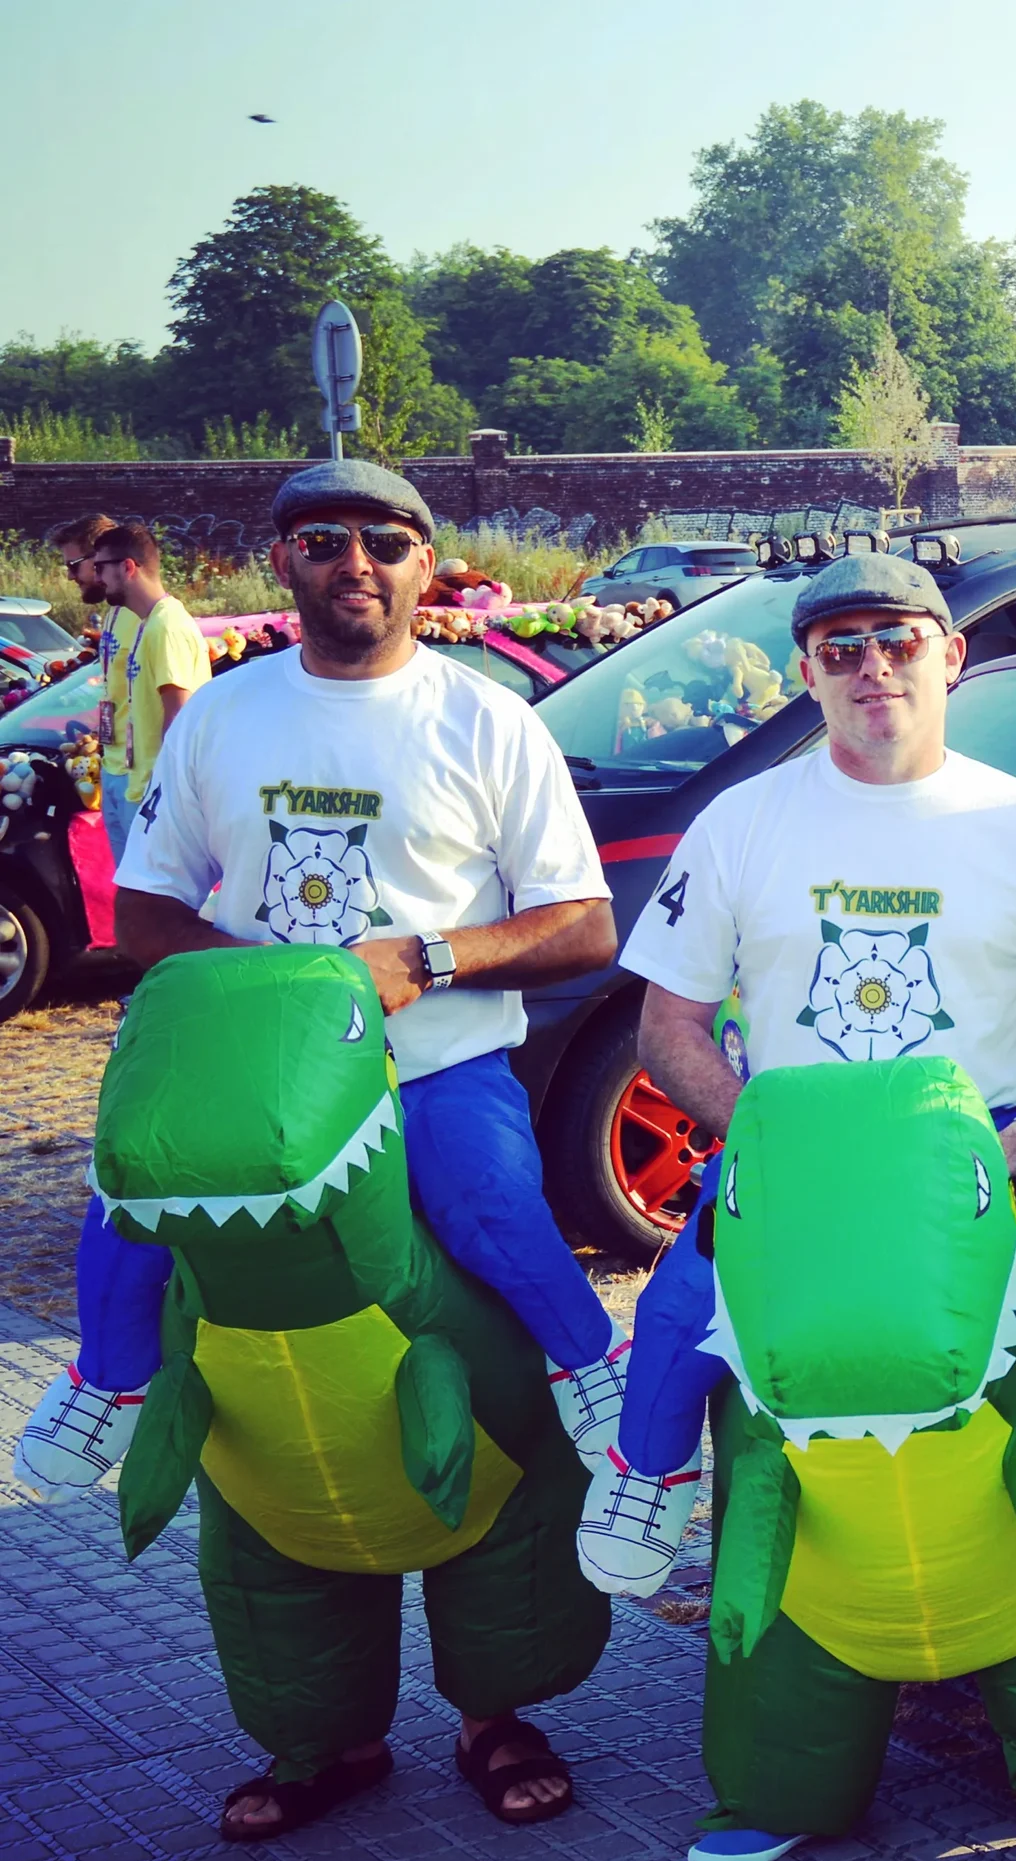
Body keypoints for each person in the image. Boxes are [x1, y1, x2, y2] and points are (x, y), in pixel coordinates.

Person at [16, 464, 659, 1776]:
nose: (353, 563)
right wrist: (267, 991)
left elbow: (583, 921)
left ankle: (587, 1376)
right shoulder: (229, 714)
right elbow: (143, 910)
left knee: (492, 1206)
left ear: (427, 566)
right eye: (322, 541)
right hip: (264, 1088)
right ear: (284, 562)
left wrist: (429, 958)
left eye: (384, 541)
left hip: (432, 1068)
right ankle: (107, 1378)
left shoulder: (487, 722)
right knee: (131, 1196)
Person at [605, 551, 1016, 1612]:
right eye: (840, 650)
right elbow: (665, 1026)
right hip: (799, 1145)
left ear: (951, 654)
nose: (873, 669)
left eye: (898, 643)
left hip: (979, 1148)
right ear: (806, 672)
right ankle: (647, 1478)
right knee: (675, 1314)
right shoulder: (740, 823)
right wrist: (764, 1132)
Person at [90, 524, 210, 858]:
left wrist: (165, 796)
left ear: (128, 567)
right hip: (137, 787)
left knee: (159, 904)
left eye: (100, 567)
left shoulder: (166, 625)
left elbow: (179, 717)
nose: (97, 577)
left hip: (155, 798)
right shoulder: (149, 621)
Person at [46, 516, 128, 846]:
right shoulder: (114, 617)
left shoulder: (153, 621)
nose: (69, 575)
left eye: (74, 565)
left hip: (142, 783)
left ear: (100, 557)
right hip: (115, 772)